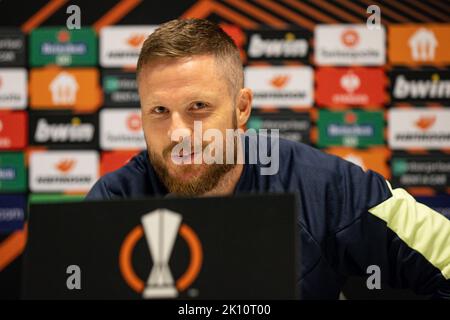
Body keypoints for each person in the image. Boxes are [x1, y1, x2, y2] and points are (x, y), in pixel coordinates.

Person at [86, 19, 450, 299]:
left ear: (242, 108)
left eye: (199, 107)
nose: (178, 133)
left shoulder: (321, 187)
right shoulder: (114, 203)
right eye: (159, 110)